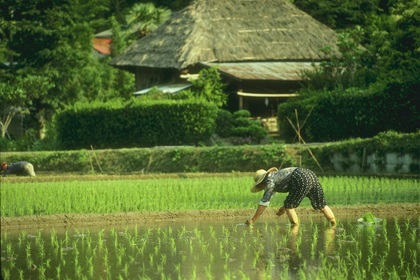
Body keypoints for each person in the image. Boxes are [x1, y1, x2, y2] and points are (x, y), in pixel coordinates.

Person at [245, 167, 336, 226]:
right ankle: (334, 225)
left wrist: (253, 220)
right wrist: (283, 208)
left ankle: (295, 229)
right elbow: (293, 194)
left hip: (299, 177)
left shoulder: (269, 182)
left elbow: (264, 203)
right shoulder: (274, 177)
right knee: (322, 205)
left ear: (261, 181)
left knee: (289, 206)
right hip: (310, 174)